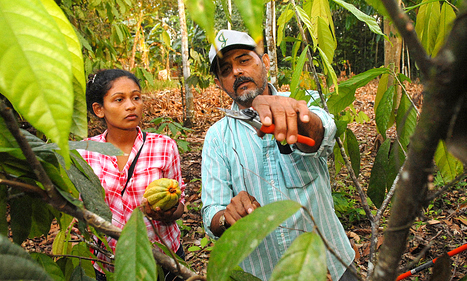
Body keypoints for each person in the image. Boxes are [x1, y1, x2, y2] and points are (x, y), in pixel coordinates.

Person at [201, 30, 356, 281]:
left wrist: (296, 118)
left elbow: (324, 136)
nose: (237, 72)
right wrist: (227, 218)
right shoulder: (217, 138)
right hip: (263, 273)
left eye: (244, 60)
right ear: (219, 83)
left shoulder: (303, 100)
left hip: (331, 264)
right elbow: (212, 215)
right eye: (226, 70)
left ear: (265, 62)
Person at [79, 69, 186, 281]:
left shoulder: (164, 146)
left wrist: (167, 212)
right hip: (110, 263)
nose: (131, 106)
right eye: (119, 99)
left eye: (136, 97)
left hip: (163, 259)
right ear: (99, 109)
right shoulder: (85, 152)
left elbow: (180, 204)